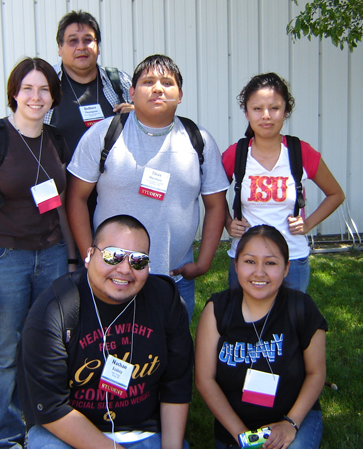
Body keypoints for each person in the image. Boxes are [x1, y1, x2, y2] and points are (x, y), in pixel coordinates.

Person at [0, 57, 75, 448]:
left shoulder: (56, 139)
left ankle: (44, 426)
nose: (35, 96)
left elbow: (60, 204)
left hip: (52, 256)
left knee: (49, 345)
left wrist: (72, 258)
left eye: (44, 89)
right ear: (14, 92)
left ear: (53, 96)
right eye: (27, 88)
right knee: (6, 352)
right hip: (4, 259)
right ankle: (7, 436)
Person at [66, 54, 229, 321]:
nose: (157, 88)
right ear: (131, 91)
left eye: (167, 82)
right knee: (109, 353)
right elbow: (76, 198)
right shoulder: (102, 135)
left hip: (174, 279)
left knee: (173, 356)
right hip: (111, 277)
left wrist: (204, 262)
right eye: (148, 81)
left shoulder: (199, 140)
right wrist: (91, 260)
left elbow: (215, 204)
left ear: (180, 94)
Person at [19, 214, 194, 449]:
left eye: (138, 261)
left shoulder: (165, 300)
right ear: (90, 256)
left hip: (142, 433)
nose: (125, 269)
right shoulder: (54, 309)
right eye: (113, 256)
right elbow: (51, 406)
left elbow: (176, 385)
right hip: (69, 434)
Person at [195, 225, 327, 449]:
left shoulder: (301, 308)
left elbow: (316, 373)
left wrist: (290, 424)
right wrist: (244, 437)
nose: (259, 272)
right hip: (235, 426)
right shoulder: (218, 310)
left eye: (271, 263)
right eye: (249, 261)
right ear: (236, 265)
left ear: (286, 268)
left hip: (293, 418)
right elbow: (204, 381)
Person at [222, 72, 344, 292]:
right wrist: (228, 222)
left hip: (292, 259)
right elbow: (213, 195)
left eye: (274, 108)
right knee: (243, 324)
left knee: (291, 324)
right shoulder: (236, 154)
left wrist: (308, 224)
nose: (266, 116)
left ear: (286, 111)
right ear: (246, 112)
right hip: (245, 259)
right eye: (257, 108)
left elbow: (336, 194)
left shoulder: (301, 152)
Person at [44, 9, 133, 154]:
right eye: (73, 41)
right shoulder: (46, 83)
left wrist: (139, 117)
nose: (81, 47)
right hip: (62, 175)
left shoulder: (120, 82)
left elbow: (148, 129)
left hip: (113, 175)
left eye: (88, 40)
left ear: (98, 48)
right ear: (60, 48)